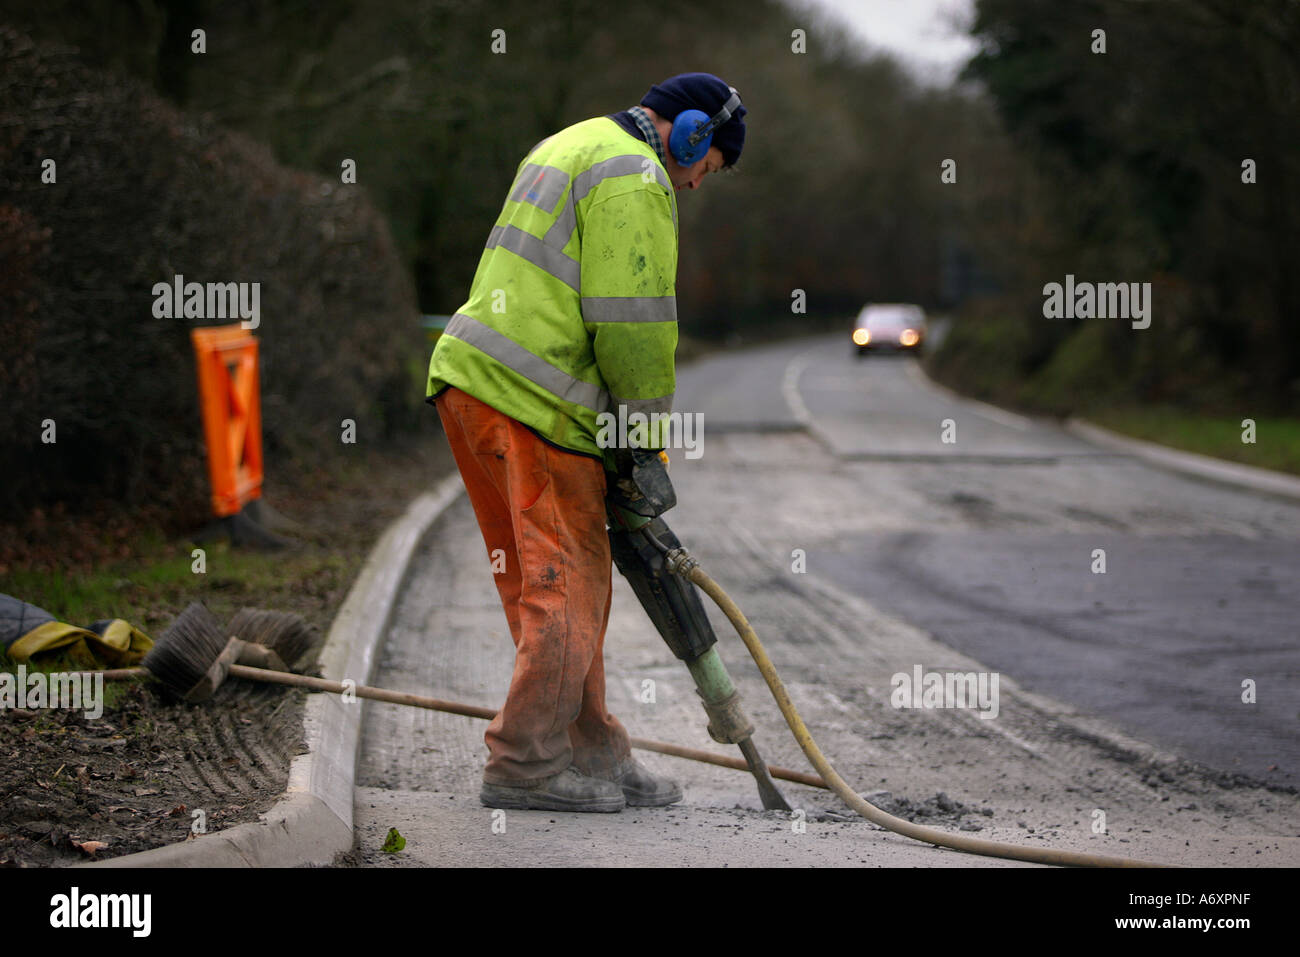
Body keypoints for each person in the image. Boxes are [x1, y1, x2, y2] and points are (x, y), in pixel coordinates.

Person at [426, 72, 747, 812]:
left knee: (550, 586)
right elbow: (633, 326)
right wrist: (639, 443)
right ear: (694, 133)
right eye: (708, 167)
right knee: (568, 587)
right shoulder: (637, 177)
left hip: (472, 387)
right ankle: (524, 764)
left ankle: (592, 750)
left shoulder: (569, 143)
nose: (697, 185)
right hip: (539, 403)